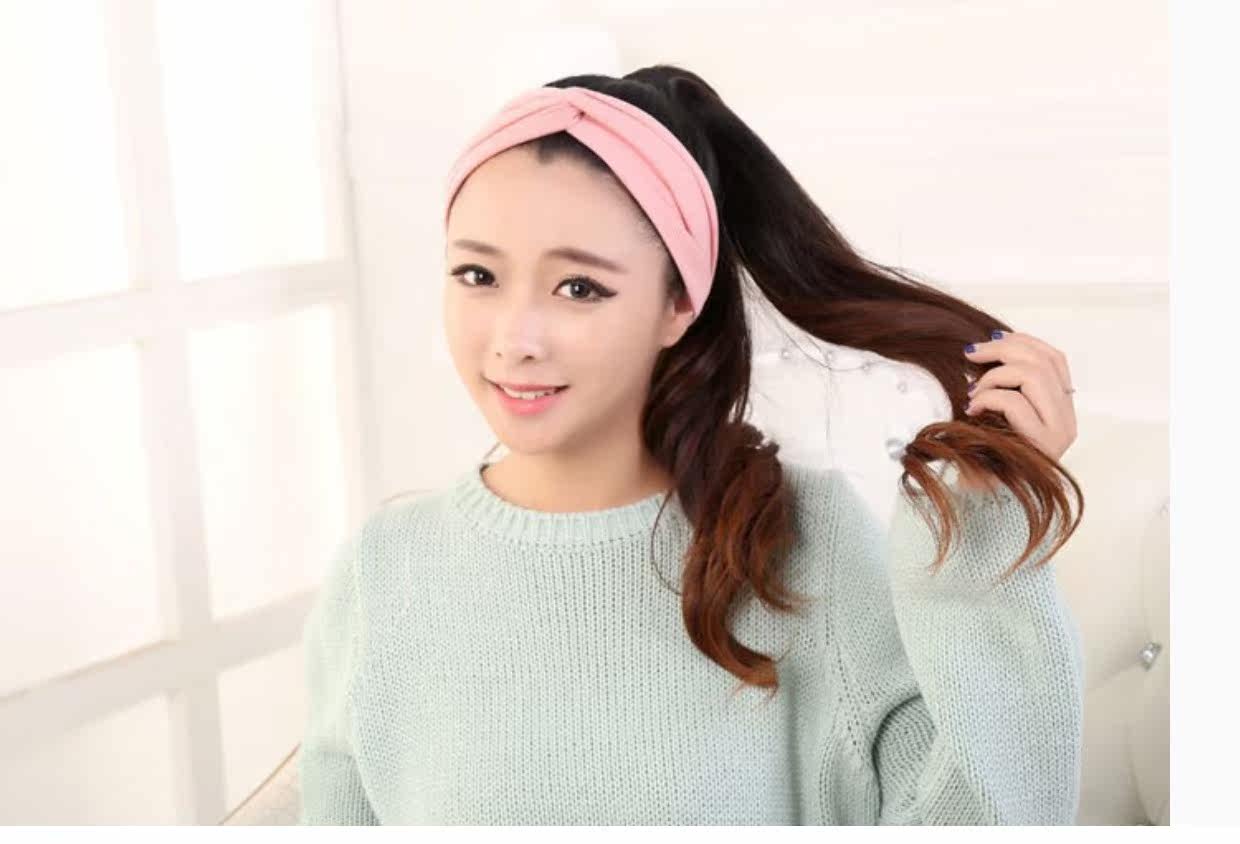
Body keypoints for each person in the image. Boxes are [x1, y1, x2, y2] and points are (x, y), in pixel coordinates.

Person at [299, 66, 1086, 825]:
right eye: (478, 276)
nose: (515, 339)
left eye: (579, 288)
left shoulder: (803, 545)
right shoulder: (383, 573)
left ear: (678, 302)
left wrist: (987, 533)